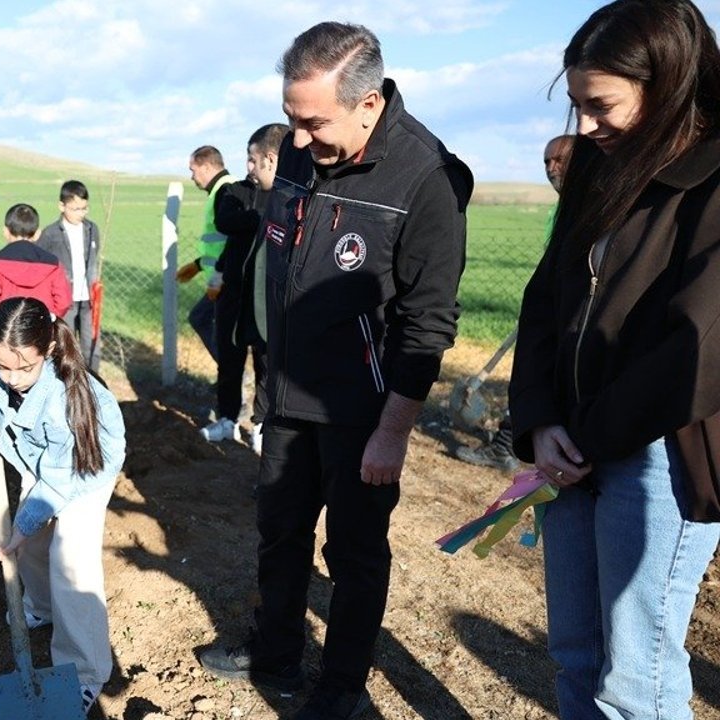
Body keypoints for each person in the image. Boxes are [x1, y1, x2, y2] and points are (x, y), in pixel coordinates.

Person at [199, 22, 471, 720]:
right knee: (279, 533)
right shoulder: (297, 156)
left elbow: (428, 321)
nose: (297, 137)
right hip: (287, 397)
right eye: (291, 117)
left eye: (313, 120)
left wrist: (394, 431)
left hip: (362, 413)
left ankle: (342, 684)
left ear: (369, 104)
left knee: (353, 554)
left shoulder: (426, 179)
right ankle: (277, 653)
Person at [509, 1, 720, 716]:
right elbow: (546, 299)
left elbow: (698, 340)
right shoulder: (602, 171)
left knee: (636, 679)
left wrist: (587, 440)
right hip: (567, 445)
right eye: (576, 106)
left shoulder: (715, 181)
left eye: (601, 106)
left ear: (666, 84)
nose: (585, 127)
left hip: (660, 457)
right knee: (574, 654)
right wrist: (540, 423)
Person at [0, 297, 126, 715]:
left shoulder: (63, 398)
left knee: (70, 559)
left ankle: (84, 672)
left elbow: (59, 478)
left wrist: (24, 524)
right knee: (29, 545)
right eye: (3, 366)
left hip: (83, 468)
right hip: (39, 457)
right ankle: (41, 609)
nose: (12, 378)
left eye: (24, 368)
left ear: (48, 349)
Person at [455, 134, 574, 472]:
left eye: (560, 160)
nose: (552, 168)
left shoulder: (590, 205)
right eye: (547, 162)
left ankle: (507, 445)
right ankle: (510, 443)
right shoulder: (562, 208)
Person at [206, 125, 288, 453]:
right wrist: (263, 219)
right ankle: (226, 420)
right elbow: (226, 221)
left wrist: (258, 218)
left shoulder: (289, 196)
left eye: (252, 161)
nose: (248, 168)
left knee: (268, 365)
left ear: (270, 158)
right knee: (229, 360)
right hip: (234, 296)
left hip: (269, 300)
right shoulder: (236, 191)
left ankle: (261, 426)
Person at [178, 146, 236, 371]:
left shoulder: (225, 190)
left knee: (200, 319)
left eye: (193, 170)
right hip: (222, 275)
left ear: (208, 166)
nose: (192, 177)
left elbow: (232, 240)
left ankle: (233, 378)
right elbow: (218, 243)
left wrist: (217, 278)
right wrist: (199, 264)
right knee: (210, 324)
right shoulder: (222, 189)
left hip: (226, 278)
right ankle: (231, 378)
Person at [38, 180, 101, 372]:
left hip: (89, 297)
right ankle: (68, 381)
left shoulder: (92, 230)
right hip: (65, 299)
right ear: (62, 206)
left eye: (84, 208)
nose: (80, 213)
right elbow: (43, 265)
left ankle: (93, 383)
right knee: (66, 344)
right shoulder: (50, 234)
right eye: (75, 209)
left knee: (92, 343)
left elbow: (94, 256)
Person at [0, 202, 71, 320]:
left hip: (8, 330)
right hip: (42, 330)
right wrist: (48, 320)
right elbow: (63, 301)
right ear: (37, 233)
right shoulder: (53, 263)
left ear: (6, 231)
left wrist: (1, 324)